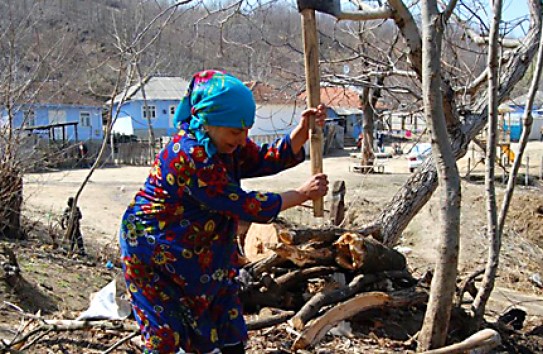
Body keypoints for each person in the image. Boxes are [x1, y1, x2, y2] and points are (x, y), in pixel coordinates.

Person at [118, 70, 328, 354]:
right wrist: (301, 195)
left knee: (226, 327)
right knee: (168, 338)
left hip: (201, 252)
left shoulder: (224, 144)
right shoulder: (189, 155)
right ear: (209, 120)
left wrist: (301, 134)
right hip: (155, 253)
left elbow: (263, 158)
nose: (243, 139)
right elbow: (242, 203)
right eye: (236, 131)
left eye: (246, 130)